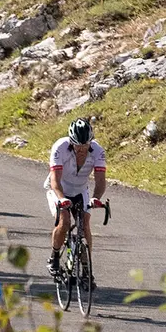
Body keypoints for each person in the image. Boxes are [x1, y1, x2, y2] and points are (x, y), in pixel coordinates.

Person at [47, 116, 107, 276]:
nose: (81, 150)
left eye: (85, 146)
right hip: (59, 189)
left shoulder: (98, 151)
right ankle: (54, 256)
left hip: (81, 190)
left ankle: (87, 268)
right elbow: (55, 179)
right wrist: (61, 198)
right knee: (64, 221)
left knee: (85, 224)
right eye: (77, 147)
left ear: (90, 142)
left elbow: (101, 181)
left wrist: (96, 198)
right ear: (71, 142)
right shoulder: (60, 147)